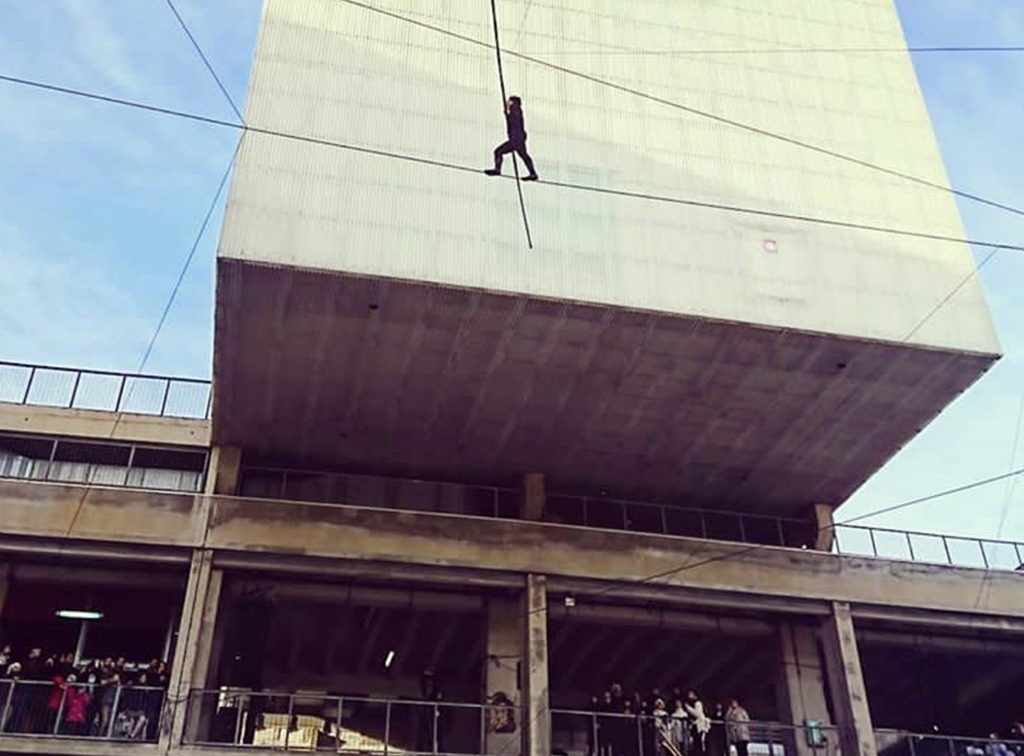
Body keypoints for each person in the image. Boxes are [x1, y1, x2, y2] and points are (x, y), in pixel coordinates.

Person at [484, 96, 539, 181]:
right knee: (524, 156)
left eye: (509, 101)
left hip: (516, 138)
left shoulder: (515, 109)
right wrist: (507, 112)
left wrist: (508, 112)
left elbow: (513, 120)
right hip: (518, 137)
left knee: (498, 151)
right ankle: (533, 173)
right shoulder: (516, 110)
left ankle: (497, 169)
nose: (508, 102)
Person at [683, 690, 710, 756]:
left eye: (691, 694)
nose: (689, 696)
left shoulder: (698, 703)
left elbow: (697, 714)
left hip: (699, 726)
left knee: (699, 744)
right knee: (695, 744)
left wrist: (688, 708)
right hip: (694, 726)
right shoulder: (690, 703)